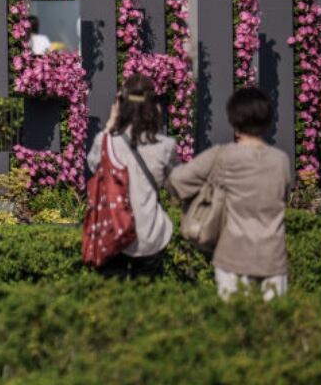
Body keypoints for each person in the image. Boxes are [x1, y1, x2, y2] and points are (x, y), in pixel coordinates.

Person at [170, 86, 293, 301]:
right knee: (273, 328)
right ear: (266, 121)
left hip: (233, 254)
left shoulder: (222, 156)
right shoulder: (281, 161)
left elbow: (178, 180)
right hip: (272, 256)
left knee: (234, 324)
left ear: (234, 121)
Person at [85, 74, 178, 280]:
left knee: (112, 302)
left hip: (113, 231)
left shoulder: (106, 141)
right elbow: (173, 185)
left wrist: (110, 123)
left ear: (121, 104)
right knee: (149, 300)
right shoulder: (165, 146)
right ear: (153, 106)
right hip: (150, 234)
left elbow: (93, 166)